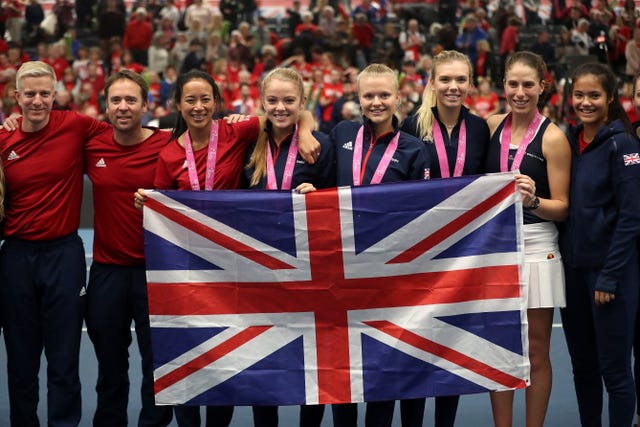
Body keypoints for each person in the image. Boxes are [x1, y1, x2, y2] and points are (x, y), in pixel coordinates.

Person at [135, 69, 320, 427]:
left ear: (217, 103)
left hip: (233, 266)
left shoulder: (239, 132)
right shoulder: (170, 155)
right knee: (190, 348)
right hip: (187, 267)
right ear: (178, 105)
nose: (199, 106)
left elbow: (289, 112)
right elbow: (157, 206)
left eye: (206, 99)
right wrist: (148, 202)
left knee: (224, 351)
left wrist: (309, 129)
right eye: (190, 100)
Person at [0, 60, 111, 426]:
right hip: (16, 257)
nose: (37, 101)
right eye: (29, 94)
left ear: (55, 95)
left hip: (64, 255)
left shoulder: (76, 124)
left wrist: (301, 119)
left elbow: (130, 131)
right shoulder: (3, 140)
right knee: (20, 359)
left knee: (64, 359)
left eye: (44, 93)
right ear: (16, 96)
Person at [330, 63, 431, 427]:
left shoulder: (414, 149)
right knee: (343, 366)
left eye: (384, 95)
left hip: (390, 275)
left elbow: (421, 212)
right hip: (341, 272)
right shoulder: (341, 133)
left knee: (384, 365)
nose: (376, 102)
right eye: (369, 95)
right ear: (358, 98)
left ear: (397, 97)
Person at [398, 49, 491, 427]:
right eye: (445, 80)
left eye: (460, 80)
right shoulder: (411, 126)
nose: (453, 87)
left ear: (470, 84)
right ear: (432, 83)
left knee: (451, 345)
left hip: (462, 257)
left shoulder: (481, 129)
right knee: (413, 346)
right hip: (416, 257)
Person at [243, 67, 335, 427]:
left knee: (312, 360)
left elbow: (339, 204)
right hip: (260, 271)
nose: (280, 108)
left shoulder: (321, 145)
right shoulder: (248, 143)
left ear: (302, 103)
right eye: (273, 101)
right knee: (264, 358)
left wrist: (320, 196)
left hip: (309, 269)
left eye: (289, 101)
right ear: (261, 102)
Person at [484, 51, 571, 427]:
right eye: (513, 84)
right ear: (504, 85)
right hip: (494, 248)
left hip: (537, 245)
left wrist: (534, 199)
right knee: (498, 347)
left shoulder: (553, 139)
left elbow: (564, 208)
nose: (520, 93)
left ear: (542, 88)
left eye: (528, 85)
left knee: (536, 349)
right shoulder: (488, 127)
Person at [84, 69, 174, 427]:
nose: (123, 107)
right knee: (109, 365)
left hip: (156, 273)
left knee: (158, 363)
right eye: (116, 100)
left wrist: (306, 122)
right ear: (106, 106)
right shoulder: (91, 143)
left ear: (145, 105)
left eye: (131, 100)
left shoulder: (168, 142)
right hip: (107, 272)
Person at [561, 62, 640, 427]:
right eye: (579, 95)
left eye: (594, 95)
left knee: (615, 371)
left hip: (611, 278)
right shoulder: (570, 141)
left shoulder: (624, 144)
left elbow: (630, 218)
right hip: (574, 274)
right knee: (584, 368)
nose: (586, 102)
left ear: (610, 98)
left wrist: (609, 277)